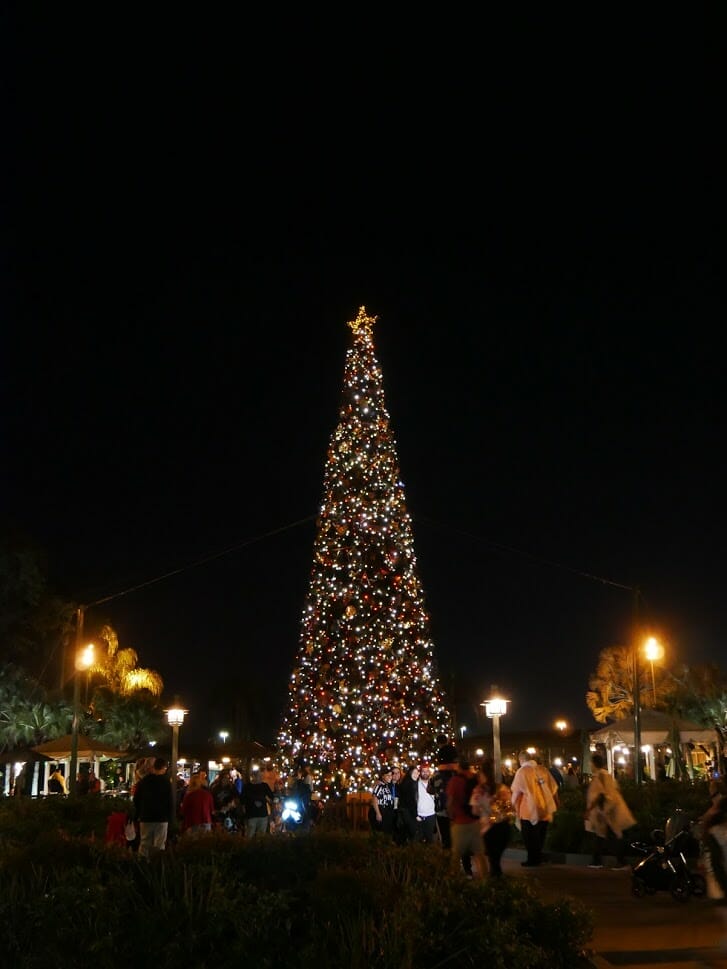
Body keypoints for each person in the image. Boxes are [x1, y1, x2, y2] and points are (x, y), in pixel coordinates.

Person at [584, 752, 636, 869]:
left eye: (590, 763)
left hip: (607, 811)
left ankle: (620, 862)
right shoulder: (605, 775)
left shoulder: (600, 776)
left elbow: (600, 795)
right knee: (603, 836)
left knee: (608, 837)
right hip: (609, 810)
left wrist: (590, 810)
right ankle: (599, 860)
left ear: (594, 764)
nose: (590, 765)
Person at [510, 749, 559, 867]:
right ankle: (538, 857)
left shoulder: (521, 772)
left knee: (529, 836)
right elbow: (554, 788)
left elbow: (516, 792)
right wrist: (556, 802)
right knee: (540, 835)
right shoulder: (543, 769)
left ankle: (532, 859)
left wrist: (511, 805)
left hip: (528, 810)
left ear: (521, 760)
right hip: (545, 808)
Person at [470, 758, 512, 877]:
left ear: (483, 775)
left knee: (492, 857)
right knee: (496, 857)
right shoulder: (503, 788)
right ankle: (497, 876)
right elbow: (509, 807)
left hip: (487, 827)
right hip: (503, 826)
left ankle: (495, 880)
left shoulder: (479, 791)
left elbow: (474, 810)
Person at [446, 759, 485, 879]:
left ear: (459, 767)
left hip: (460, 822)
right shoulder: (476, 779)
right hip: (475, 821)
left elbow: (450, 802)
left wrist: (451, 818)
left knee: (456, 855)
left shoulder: (455, 780)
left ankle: (455, 880)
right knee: (479, 855)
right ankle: (485, 881)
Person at [133, 757, 172, 858]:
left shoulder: (144, 782)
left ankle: (142, 864)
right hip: (161, 817)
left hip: (146, 816)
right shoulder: (166, 782)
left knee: (145, 843)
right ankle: (157, 865)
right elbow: (170, 801)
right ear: (164, 768)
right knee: (159, 844)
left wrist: (138, 814)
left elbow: (136, 800)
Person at [430, 740, 458, 851]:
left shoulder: (436, 775)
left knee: (446, 839)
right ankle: (465, 865)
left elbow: (430, 789)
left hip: (441, 811)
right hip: (457, 811)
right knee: (458, 840)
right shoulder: (457, 773)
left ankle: (448, 862)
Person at [244, 768, 274, 837]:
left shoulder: (264, 786)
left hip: (263, 815)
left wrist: (267, 800)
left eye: (261, 776)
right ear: (253, 776)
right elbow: (243, 800)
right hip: (251, 815)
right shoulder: (247, 786)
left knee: (261, 835)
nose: (261, 777)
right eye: (259, 776)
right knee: (250, 834)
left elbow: (271, 796)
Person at [395, 765, 420, 844]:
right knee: (413, 832)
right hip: (408, 812)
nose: (417, 774)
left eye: (417, 772)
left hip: (407, 811)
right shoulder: (409, 784)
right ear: (410, 773)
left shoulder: (412, 783)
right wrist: (416, 815)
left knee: (407, 832)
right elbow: (410, 801)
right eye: (414, 773)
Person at [369, 766, 395, 835]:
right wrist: (378, 813)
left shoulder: (386, 786)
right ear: (383, 776)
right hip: (380, 809)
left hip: (386, 811)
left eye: (391, 775)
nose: (390, 777)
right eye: (388, 775)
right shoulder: (379, 786)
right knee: (380, 832)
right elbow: (374, 798)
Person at [416, 762, 438, 843]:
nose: (425, 773)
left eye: (427, 771)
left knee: (430, 839)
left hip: (431, 815)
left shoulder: (433, 783)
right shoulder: (416, 784)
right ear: (420, 772)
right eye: (423, 771)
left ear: (430, 772)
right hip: (419, 816)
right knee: (419, 839)